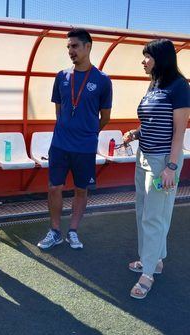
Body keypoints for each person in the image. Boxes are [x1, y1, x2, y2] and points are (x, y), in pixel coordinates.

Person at [123, 39, 190, 299]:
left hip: (163, 162)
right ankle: (154, 260)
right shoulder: (154, 86)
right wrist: (135, 133)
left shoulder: (179, 86)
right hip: (144, 158)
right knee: (144, 211)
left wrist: (171, 167)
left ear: (160, 58)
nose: (143, 61)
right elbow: (152, 123)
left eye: (147, 57)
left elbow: (178, 132)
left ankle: (147, 273)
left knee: (154, 215)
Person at [37, 28, 112, 250]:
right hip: (60, 145)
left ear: (88, 47)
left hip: (85, 147)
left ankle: (73, 231)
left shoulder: (102, 80)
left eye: (75, 46)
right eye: (68, 47)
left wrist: (88, 133)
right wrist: (67, 129)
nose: (71, 51)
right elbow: (59, 111)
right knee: (54, 187)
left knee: (81, 189)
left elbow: (105, 118)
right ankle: (55, 231)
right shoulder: (61, 76)